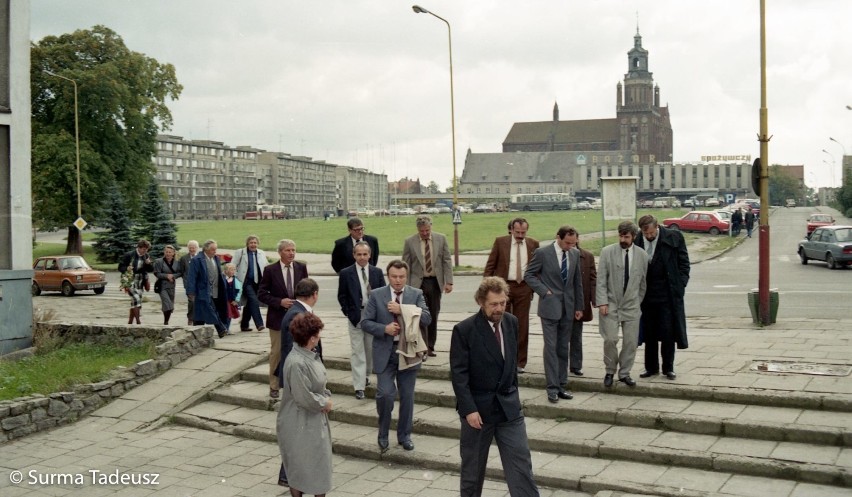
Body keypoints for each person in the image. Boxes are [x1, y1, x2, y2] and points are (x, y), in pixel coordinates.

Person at [450, 277, 540, 497]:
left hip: (509, 410)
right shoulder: (465, 330)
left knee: (521, 467)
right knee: (473, 470)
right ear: (481, 302)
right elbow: (459, 375)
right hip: (478, 412)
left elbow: (511, 364)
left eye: (502, 303)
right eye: (493, 304)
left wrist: (514, 396)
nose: (499, 309)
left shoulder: (511, 322)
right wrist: (469, 409)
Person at [361, 260, 431, 452]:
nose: (398, 281)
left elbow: (427, 318)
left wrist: (404, 310)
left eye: (401, 277)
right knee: (385, 394)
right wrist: (384, 328)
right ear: (388, 276)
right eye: (394, 276)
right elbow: (365, 322)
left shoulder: (415, 294)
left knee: (407, 396)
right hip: (386, 352)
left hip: (408, 352)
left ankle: (404, 435)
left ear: (406, 276)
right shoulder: (377, 295)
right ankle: (383, 433)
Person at [523, 225, 584, 403]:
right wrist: (544, 291)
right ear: (558, 237)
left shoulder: (574, 254)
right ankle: (551, 388)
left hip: (568, 308)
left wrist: (579, 307)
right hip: (549, 307)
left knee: (563, 348)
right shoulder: (543, 253)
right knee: (551, 348)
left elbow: (576, 282)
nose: (570, 246)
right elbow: (529, 275)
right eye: (567, 243)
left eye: (573, 243)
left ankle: (562, 385)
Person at [277, 313, 332, 497]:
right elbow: (304, 397)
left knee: (318, 467)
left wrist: (325, 395)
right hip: (299, 422)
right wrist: (325, 402)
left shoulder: (309, 355)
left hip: (312, 421)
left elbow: (318, 383)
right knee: (301, 469)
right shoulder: (297, 362)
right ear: (311, 338)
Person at [275, 277, 320, 488]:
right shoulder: (298, 315)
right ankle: (289, 475)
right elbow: (299, 352)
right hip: (299, 378)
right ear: (315, 295)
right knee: (298, 431)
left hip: (296, 376)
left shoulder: (296, 312)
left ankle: (290, 474)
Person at [635, 214, 690, 381]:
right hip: (646, 295)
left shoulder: (674, 237)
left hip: (668, 294)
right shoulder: (637, 240)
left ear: (657, 226)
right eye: (646, 234)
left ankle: (668, 368)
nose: (649, 236)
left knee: (668, 332)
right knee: (649, 333)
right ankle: (651, 368)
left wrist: (681, 284)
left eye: (651, 233)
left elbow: (684, 262)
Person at [596, 221, 649, 388]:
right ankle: (610, 371)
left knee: (631, 342)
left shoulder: (642, 255)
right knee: (610, 339)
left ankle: (624, 373)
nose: (623, 239)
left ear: (634, 236)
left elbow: (642, 282)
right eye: (621, 235)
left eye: (626, 236)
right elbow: (601, 280)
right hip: (611, 303)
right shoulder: (607, 252)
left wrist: (637, 301)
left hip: (632, 305)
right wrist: (602, 301)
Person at [483, 218, 540, 373]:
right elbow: (490, 265)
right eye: (518, 232)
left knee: (522, 324)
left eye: (523, 232)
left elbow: (537, 267)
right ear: (511, 230)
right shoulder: (501, 242)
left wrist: (534, 287)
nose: (520, 235)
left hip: (524, 287)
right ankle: (502, 357)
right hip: (503, 287)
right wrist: (487, 288)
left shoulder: (533, 244)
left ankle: (520, 361)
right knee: (502, 322)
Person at [259, 239, 308, 399]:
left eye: (293, 250)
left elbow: (307, 289)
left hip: (298, 318)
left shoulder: (301, 267)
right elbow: (262, 294)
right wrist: (279, 302)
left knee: (300, 351)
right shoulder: (270, 270)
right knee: (277, 352)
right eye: (288, 250)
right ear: (280, 252)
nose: (291, 253)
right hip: (277, 319)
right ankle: (274, 385)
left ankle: (298, 383)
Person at [337, 241, 385, 399]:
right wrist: (349, 312)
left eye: (365, 254)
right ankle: (359, 386)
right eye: (359, 254)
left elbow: (384, 294)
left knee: (370, 348)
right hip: (356, 315)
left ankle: (366, 375)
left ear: (370, 255)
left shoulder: (377, 272)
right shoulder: (346, 273)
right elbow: (342, 296)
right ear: (354, 255)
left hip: (372, 316)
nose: (362, 257)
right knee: (357, 351)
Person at [402, 214, 452, 358]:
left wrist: (449, 281)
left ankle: (430, 345)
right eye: (421, 231)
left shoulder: (441, 239)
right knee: (419, 315)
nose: (424, 234)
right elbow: (406, 264)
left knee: (433, 315)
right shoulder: (410, 242)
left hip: (435, 282)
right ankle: (421, 346)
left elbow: (446, 260)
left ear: (431, 228)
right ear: (418, 230)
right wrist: (405, 286)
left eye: (427, 231)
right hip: (418, 283)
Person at [563, 230, 596, 377]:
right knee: (561, 336)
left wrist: (594, 299)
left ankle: (576, 365)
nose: (571, 244)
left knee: (576, 336)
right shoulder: (559, 255)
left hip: (578, 302)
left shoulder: (586, 256)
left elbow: (593, 279)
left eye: (574, 241)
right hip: (562, 302)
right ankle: (560, 365)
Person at [184, 239, 229, 338]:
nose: (215, 251)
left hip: (216, 290)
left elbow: (218, 274)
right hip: (203, 290)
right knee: (210, 309)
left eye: (215, 249)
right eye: (213, 249)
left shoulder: (216, 259)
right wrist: (190, 291)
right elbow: (192, 276)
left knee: (201, 312)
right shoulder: (197, 260)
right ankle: (221, 329)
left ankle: (196, 332)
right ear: (206, 249)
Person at [232, 235, 268, 332]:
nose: (253, 245)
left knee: (249, 303)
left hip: (258, 282)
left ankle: (244, 325)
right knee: (254, 301)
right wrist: (235, 279)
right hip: (245, 282)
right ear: (247, 244)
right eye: (251, 243)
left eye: (255, 243)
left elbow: (266, 267)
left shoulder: (261, 253)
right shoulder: (241, 252)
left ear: (258, 244)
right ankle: (259, 324)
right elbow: (233, 265)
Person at [118, 239, 154, 325]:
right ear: (139, 247)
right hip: (130, 279)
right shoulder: (129, 255)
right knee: (136, 299)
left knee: (135, 302)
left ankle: (130, 322)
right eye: (144, 249)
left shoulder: (146, 255)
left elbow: (150, 270)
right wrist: (127, 268)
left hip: (140, 281)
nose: (145, 251)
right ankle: (138, 322)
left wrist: (148, 264)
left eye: (146, 250)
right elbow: (120, 267)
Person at [153, 244, 182, 325]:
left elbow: (180, 273)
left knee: (170, 306)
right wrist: (166, 276)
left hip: (172, 286)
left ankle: (166, 321)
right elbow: (156, 273)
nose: (168, 254)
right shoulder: (159, 261)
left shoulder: (177, 263)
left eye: (170, 252)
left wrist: (173, 276)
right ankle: (166, 322)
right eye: (166, 252)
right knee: (167, 303)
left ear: (173, 253)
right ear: (164, 252)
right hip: (162, 286)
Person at [179, 240, 200, 325]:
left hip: (199, 284)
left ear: (197, 248)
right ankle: (190, 318)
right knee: (192, 301)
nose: (192, 249)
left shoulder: (200, 258)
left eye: (194, 247)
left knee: (198, 302)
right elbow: (181, 271)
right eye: (190, 247)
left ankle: (196, 318)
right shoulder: (184, 258)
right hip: (188, 284)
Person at [222, 263, 242, 332]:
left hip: (231, 300)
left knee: (229, 315)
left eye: (234, 270)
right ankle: (224, 328)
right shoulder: (222, 278)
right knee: (225, 314)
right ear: (226, 271)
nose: (233, 271)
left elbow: (239, 290)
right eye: (231, 270)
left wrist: (236, 300)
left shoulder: (235, 280)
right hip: (224, 300)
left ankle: (226, 328)